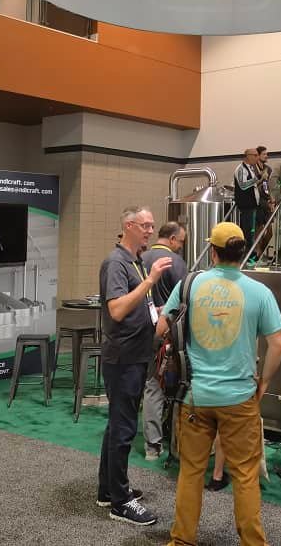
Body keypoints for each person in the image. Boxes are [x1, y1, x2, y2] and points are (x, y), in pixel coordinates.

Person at [156, 222, 281, 546]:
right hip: (240, 398)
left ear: (213, 252)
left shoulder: (189, 284)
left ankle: (181, 541)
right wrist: (263, 383)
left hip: (194, 396)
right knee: (245, 476)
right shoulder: (260, 292)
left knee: (191, 472)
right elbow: (278, 345)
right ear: (242, 253)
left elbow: (161, 328)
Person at [96, 206, 171, 526]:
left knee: (118, 425)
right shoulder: (115, 263)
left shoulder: (136, 262)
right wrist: (151, 280)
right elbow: (116, 309)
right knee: (124, 429)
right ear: (128, 226)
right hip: (123, 357)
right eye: (145, 225)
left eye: (152, 226)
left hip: (137, 355)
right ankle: (120, 502)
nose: (150, 231)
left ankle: (108, 490)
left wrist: (162, 311)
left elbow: (140, 305)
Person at [140, 221, 188, 461]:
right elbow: (184, 301)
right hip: (168, 335)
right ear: (172, 239)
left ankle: (152, 446)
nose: (181, 246)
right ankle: (178, 442)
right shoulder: (176, 263)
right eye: (181, 241)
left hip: (141, 332)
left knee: (150, 386)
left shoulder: (140, 259)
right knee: (173, 386)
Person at [233, 149, 261, 256]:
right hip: (245, 205)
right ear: (248, 156)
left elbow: (252, 185)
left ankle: (250, 255)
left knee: (252, 232)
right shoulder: (241, 169)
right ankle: (246, 256)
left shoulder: (251, 168)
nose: (257, 157)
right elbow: (243, 185)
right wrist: (258, 178)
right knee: (247, 232)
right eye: (255, 155)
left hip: (252, 205)